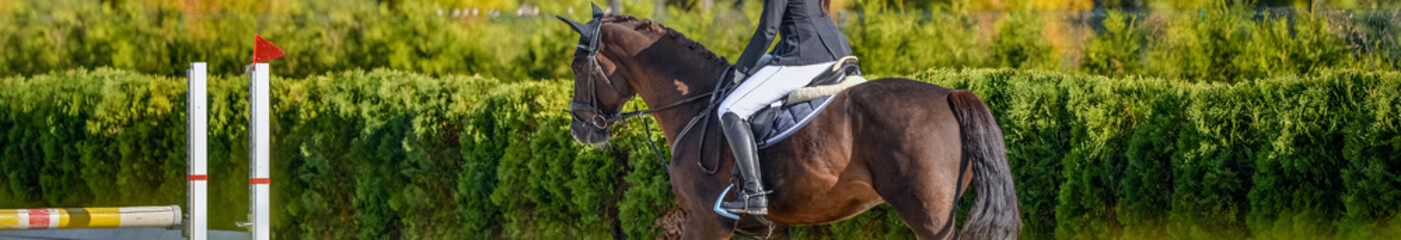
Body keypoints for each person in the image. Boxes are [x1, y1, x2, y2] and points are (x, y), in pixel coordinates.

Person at [717, 0, 852, 215]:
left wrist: (741, 69)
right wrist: (770, 58)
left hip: (806, 60)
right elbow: (800, 17)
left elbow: (767, 30)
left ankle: (753, 193)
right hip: (839, 53)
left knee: (729, 109)